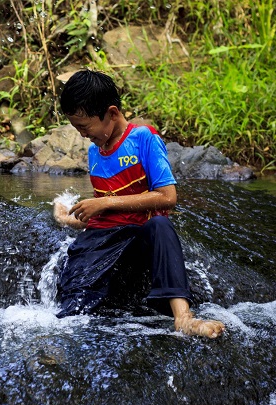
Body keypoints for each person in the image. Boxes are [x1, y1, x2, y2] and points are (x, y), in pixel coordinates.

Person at [53, 69, 225, 338]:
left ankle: (184, 317)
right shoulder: (94, 151)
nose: (84, 135)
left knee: (160, 224)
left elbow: (167, 197)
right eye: (77, 129)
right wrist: (68, 218)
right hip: (104, 241)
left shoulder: (145, 139)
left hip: (138, 239)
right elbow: (104, 214)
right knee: (71, 307)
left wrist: (105, 203)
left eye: (85, 127)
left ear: (111, 113)